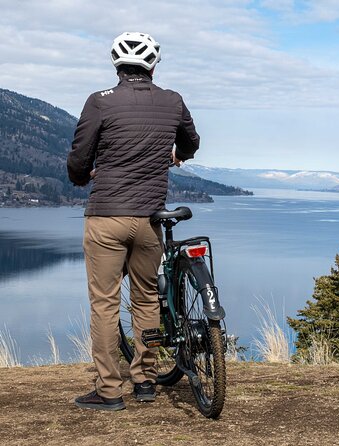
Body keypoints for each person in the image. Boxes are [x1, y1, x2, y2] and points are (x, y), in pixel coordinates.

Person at [67, 31, 200, 411]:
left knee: (105, 304)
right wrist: (178, 156)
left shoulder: (100, 102)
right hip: (149, 219)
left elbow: (80, 156)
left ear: (116, 63)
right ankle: (145, 380)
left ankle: (109, 391)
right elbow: (191, 142)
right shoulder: (172, 101)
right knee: (146, 299)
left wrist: (81, 177)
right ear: (153, 64)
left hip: (106, 217)